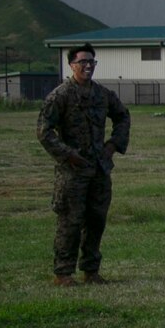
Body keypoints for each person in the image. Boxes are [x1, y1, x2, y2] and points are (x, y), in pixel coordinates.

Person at [36, 43, 131, 286]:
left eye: (92, 62)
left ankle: (91, 270)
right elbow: (44, 132)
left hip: (99, 169)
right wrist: (67, 155)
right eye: (82, 62)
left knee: (96, 220)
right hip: (73, 172)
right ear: (71, 66)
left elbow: (122, 116)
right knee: (71, 221)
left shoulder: (102, 95)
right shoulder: (60, 96)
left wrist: (113, 145)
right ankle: (63, 273)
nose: (88, 66)